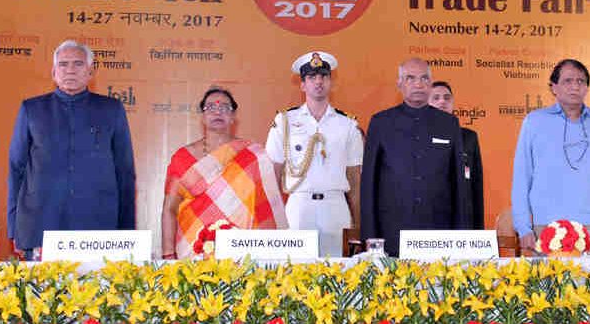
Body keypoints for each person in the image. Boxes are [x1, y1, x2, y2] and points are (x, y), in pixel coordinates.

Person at [8, 39, 137, 260]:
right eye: (63, 64)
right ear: (53, 72)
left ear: (90, 72)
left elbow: (124, 173)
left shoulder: (111, 109)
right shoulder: (32, 109)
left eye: (78, 64)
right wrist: (15, 229)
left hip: (98, 230)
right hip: (41, 226)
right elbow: (16, 169)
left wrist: (126, 232)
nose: (70, 70)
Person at [511, 58, 590, 254]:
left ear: (587, 88)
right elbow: (522, 178)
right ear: (554, 87)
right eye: (568, 81)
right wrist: (523, 227)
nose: (575, 87)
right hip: (546, 227)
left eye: (581, 81)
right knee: (546, 285)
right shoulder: (534, 122)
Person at [361, 58, 471, 256]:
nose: (418, 84)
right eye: (410, 78)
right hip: (392, 232)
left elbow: (459, 186)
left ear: (430, 83)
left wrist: (461, 236)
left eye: (424, 78)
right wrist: (371, 237)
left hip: (439, 234)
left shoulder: (449, 124)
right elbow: (369, 185)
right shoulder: (381, 123)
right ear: (399, 84)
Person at [161, 87, 287, 259]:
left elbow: (267, 207)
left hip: (242, 254)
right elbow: (169, 209)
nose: (217, 112)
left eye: (224, 108)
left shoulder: (253, 157)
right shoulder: (182, 158)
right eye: (211, 107)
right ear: (203, 117)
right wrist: (168, 254)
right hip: (191, 252)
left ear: (233, 117)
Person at [265, 52, 363, 257]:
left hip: (336, 206)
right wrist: (274, 222)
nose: (318, 82)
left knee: (338, 273)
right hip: (298, 207)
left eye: (324, 76)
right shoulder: (284, 121)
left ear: (331, 82)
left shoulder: (348, 124)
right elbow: (271, 177)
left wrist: (358, 224)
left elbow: (354, 180)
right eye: (311, 77)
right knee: (294, 273)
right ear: (302, 85)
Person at [429, 81, 485, 229]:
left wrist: (478, 229)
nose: (442, 101)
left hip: (462, 221)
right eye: (436, 98)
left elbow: (476, 186)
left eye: (447, 98)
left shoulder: (469, 137)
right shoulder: (416, 138)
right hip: (429, 223)